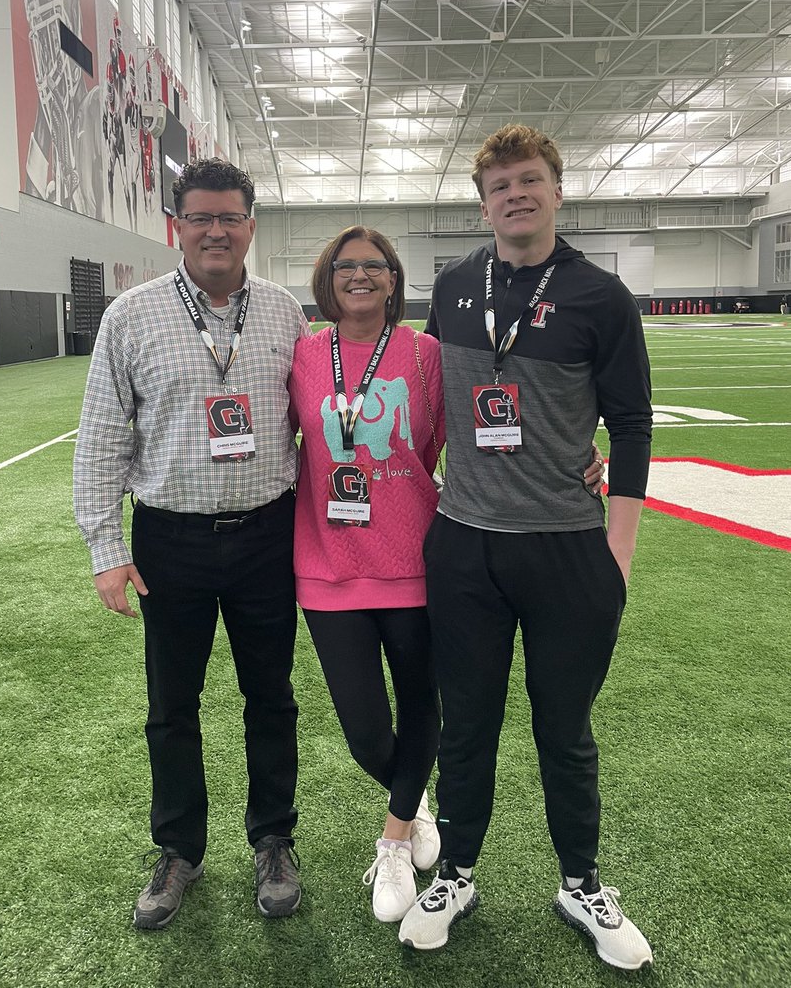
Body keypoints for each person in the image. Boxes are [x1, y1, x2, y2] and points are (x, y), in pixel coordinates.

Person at [399, 124, 654, 972]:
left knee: (565, 729)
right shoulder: (452, 285)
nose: (516, 193)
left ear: (555, 189)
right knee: (465, 726)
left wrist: (617, 547)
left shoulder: (599, 296)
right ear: (484, 202)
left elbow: (632, 421)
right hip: (467, 545)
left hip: (567, 549)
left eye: (530, 179)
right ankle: (458, 873)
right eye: (501, 183)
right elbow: (437, 400)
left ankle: (579, 881)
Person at [74, 158, 308, 929]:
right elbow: (104, 437)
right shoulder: (130, 315)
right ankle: (179, 849)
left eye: (230, 216)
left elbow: (323, 421)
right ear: (177, 226)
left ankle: (273, 839)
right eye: (201, 217)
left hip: (269, 536)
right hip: (170, 539)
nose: (216, 230)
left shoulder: (282, 312)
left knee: (269, 698)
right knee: (171, 705)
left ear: (250, 225)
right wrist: (107, 548)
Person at [289, 227, 445, 924]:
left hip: (413, 561)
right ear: (328, 279)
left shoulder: (423, 353)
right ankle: (412, 803)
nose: (359, 276)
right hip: (328, 565)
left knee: (420, 710)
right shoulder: (302, 354)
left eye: (373, 266)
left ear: (392, 278)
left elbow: (441, 442)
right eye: (345, 266)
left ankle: (393, 836)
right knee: (365, 731)